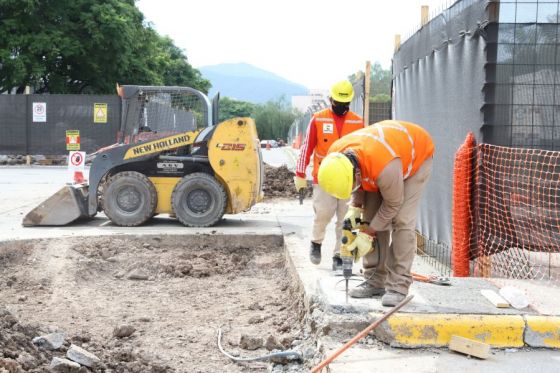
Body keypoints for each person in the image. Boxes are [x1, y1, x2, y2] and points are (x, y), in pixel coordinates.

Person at [317, 120, 434, 307]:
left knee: (402, 221)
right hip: (378, 158)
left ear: (357, 174)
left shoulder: (384, 167)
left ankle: (398, 285)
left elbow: (392, 204)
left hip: (416, 155)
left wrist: (369, 232)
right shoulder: (336, 156)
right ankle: (375, 280)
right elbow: (354, 183)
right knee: (370, 217)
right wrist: (355, 207)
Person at [293, 80, 364, 269]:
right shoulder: (318, 118)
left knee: (345, 218)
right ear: (331, 99)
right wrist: (300, 173)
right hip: (324, 177)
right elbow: (307, 147)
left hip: (348, 180)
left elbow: (363, 151)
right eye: (338, 103)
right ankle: (316, 243)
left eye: (345, 104)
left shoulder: (358, 122)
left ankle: (339, 255)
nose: (341, 107)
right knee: (323, 214)